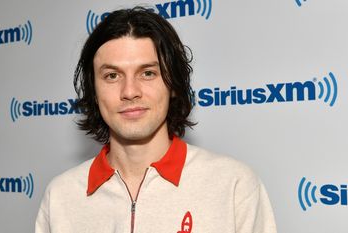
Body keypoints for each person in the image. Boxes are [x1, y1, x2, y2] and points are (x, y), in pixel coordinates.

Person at [35, 7, 277, 233]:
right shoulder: (60, 196)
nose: (129, 91)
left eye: (148, 73)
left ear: (173, 84)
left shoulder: (234, 186)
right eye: (111, 75)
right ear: (94, 91)